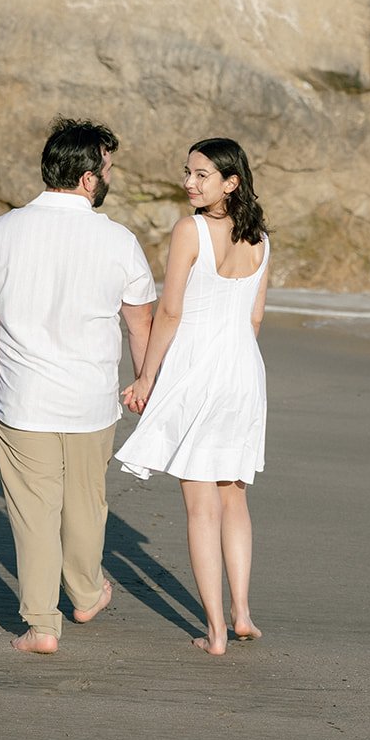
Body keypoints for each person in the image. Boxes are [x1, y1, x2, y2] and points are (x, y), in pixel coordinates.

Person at [0, 118, 156, 654]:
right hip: (91, 400)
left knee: (33, 512)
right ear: (88, 178)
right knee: (87, 504)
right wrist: (147, 385)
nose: (110, 176)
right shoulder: (119, 241)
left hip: (20, 399)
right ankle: (87, 595)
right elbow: (141, 326)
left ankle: (43, 626)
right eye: (107, 168)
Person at [114, 137, 270, 655]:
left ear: (231, 182)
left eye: (201, 175)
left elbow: (171, 311)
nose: (189, 182)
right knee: (234, 496)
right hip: (245, 372)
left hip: (198, 369)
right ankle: (242, 612)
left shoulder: (190, 230)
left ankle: (217, 632)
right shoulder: (262, 241)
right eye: (188, 172)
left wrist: (146, 377)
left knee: (201, 506)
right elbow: (253, 319)